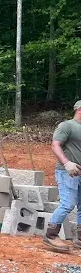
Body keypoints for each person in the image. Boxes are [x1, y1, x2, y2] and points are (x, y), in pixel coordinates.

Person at [43, 101, 81, 251]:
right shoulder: (67, 126)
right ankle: (51, 235)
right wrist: (66, 163)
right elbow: (55, 145)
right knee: (68, 204)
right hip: (67, 172)